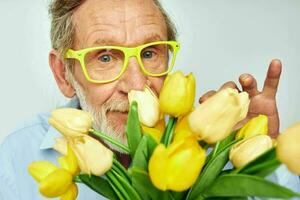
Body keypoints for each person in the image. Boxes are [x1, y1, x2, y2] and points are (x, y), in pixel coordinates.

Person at [0, 0, 299, 199]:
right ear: (63, 74)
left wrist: (267, 158)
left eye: (149, 53)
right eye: (105, 57)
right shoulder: (17, 158)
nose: (136, 84)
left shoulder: (212, 148)